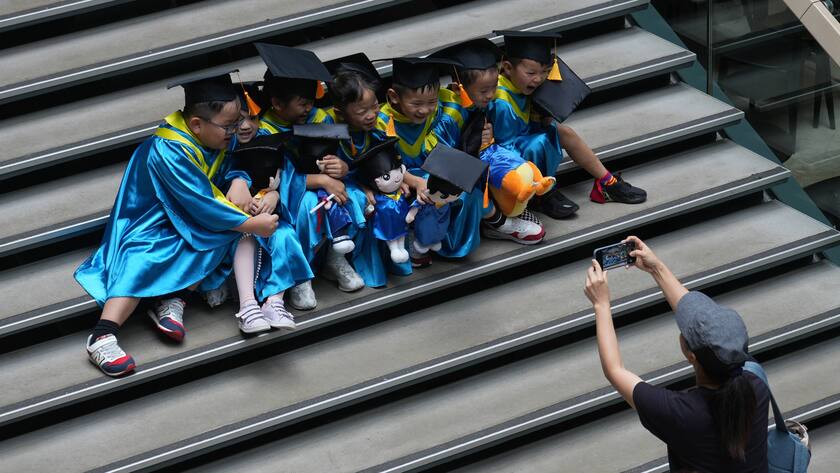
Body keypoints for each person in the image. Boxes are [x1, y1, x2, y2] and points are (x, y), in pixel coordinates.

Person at [75, 69, 279, 376]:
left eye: (238, 123)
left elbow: (242, 156)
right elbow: (202, 204)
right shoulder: (167, 149)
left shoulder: (216, 135)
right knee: (141, 257)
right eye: (229, 126)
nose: (235, 132)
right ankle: (103, 334)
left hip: (186, 218)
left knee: (219, 236)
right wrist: (253, 226)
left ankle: (173, 299)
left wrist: (240, 177)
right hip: (148, 222)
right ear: (196, 124)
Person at [584, 236, 770, 472]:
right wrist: (656, 268)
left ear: (690, 354)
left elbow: (614, 370)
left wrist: (601, 304)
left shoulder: (681, 414)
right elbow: (692, 316)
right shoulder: (756, 387)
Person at [490, 31, 647, 219]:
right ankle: (542, 195)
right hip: (505, 163)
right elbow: (505, 148)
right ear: (507, 68)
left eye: (545, 72)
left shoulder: (522, 85)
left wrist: (544, 116)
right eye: (531, 73)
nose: (539, 79)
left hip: (522, 142)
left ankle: (608, 182)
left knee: (564, 132)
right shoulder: (502, 102)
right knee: (539, 141)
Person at [254, 42, 365, 308]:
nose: (308, 109)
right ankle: (300, 276)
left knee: (354, 196)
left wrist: (342, 167)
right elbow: (276, 176)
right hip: (285, 196)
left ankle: (334, 259)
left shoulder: (320, 117)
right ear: (277, 104)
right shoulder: (264, 130)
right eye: (302, 104)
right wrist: (321, 180)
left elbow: (341, 154)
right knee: (308, 206)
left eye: (311, 102)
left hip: (323, 186)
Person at [430, 38, 549, 245]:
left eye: (494, 88)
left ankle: (509, 211)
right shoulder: (450, 114)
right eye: (484, 91)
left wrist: (487, 139)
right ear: (459, 88)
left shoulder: (477, 101)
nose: (491, 95)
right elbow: (442, 158)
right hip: (444, 174)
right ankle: (498, 222)